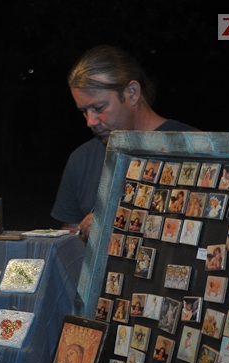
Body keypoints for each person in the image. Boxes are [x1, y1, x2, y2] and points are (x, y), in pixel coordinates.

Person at [50, 45, 197, 241]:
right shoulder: (81, 159)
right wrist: (83, 234)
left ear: (132, 93)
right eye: (84, 111)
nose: (90, 122)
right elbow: (70, 234)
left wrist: (122, 225)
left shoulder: (194, 149)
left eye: (99, 107)